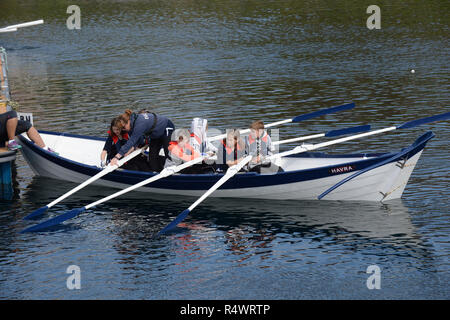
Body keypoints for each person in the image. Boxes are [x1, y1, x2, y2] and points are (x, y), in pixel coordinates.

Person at [108, 109, 175, 172]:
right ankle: (156, 172)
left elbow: (132, 141)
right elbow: (136, 140)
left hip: (166, 127)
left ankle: (172, 168)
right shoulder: (133, 123)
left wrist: (116, 157)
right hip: (155, 135)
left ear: (128, 122)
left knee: (168, 153)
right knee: (152, 159)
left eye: (123, 127)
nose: (123, 130)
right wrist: (130, 150)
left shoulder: (139, 124)